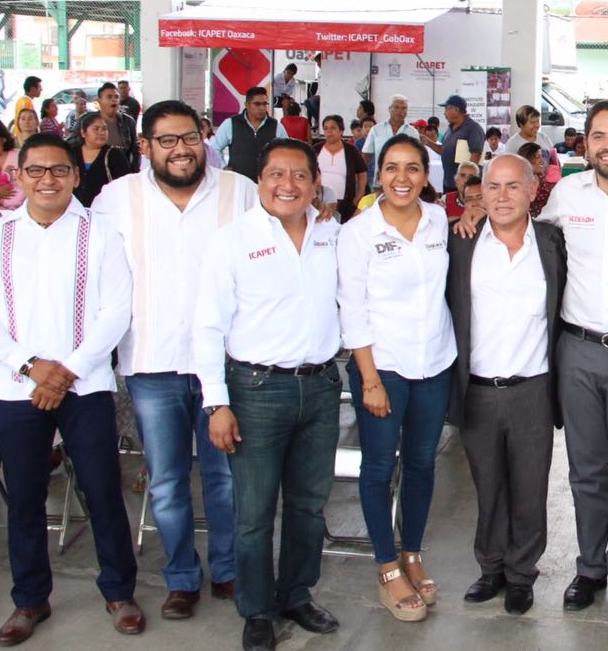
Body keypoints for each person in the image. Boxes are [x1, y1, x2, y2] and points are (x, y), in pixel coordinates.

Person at [478, 100, 608, 616]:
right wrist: (476, 214)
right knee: (585, 470)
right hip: (577, 353)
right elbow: (524, 231)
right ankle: (590, 568)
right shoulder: (568, 194)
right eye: (598, 136)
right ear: (585, 144)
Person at [0, 133, 142, 645]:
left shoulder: (101, 232)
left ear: (75, 176)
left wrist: (68, 371)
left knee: (102, 490)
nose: (48, 179)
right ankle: (30, 600)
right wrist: (30, 365)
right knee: (25, 499)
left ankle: (119, 592)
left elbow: (117, 310)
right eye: (36, 170)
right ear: (19, 177)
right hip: (16, 388)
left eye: (59, 169)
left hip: (86, 386)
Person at [93, 100, 254, 623]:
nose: (181, 150)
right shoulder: (116, 198)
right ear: (145, 146)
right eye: (167, 140)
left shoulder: (239, 190)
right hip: (152, 362)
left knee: (225, 478)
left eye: (189, 138)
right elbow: (83, 255)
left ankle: (227, 569)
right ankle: (181, 578)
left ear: (203, 138)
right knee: (165, 482)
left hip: (225, 364)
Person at [196, 140, 342, 651]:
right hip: (256, 391)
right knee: (255, 513)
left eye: (299, 175)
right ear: (258, 182)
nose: (287, 185)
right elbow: (207, 326)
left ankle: (296, 594)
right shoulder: (232, 241)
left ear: (315, 183)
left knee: (309, 506)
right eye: (276, 174)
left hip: (321, 387)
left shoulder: (332, 234)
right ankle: (257, 609)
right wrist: (217, 403)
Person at [337, 134, 453, 624]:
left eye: (412, 168)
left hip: (435, 363)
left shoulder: (439, 220)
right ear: (378, 174)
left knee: (423, 463)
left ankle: (412, 553)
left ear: (426, 176)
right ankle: (387, 566)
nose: (401, 178)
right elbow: (352, 308)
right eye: (391, 168)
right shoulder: (358, 232)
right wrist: (369, 380)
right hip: (382, 367)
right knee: (380, 467)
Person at [446, 154, 567, 617]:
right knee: (488, 485)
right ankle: (491, 567)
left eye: (513, 186)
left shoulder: (552, 243)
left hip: (533, 387)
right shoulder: (461, 241)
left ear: (533, 190)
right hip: (477, 387)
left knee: (530, 486)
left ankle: (521, 573)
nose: (501, 196)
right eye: (492, 187)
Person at [209, 87, 287, 182]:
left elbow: (287, 152)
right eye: (257, 104)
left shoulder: (276, 126)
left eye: (264, 104)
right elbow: (214, 148)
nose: (262, 108)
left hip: (268, 182)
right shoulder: (231, 124)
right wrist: (223, 167)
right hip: (238, 182)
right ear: (247, 105)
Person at [425, 95, 485, 193]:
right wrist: (427, 142)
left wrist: (466, 181)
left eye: (446, 109)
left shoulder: (473, 128)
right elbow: (444, 150)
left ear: (456, 110)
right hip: (448, 182)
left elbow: (476, 155)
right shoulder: (450, 128)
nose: (444, 113)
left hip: (463, 186)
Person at [314, 115, 367, 223]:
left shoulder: (351, 150)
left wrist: (360, 193)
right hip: (319, 202)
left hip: (344, 203)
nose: (329, 131)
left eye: (333, 128)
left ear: (341, 131)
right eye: (326, 128)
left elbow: (362, 172)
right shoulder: (316, 149)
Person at [72, 112, 132, 208]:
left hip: (106, 209)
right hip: (75, 209)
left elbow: (125, 183)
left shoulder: (114, 154)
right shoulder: (72, 153)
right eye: (96, 129)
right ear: (83, 132)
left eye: (104, 129)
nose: (102, 132)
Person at [361, 95, 421, 171]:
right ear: (390, 109)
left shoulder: (413, 132)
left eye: (403, 108)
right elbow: (366, 155)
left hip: (404, 177)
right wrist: (360, 175)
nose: (400, 111)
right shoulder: (376, 130)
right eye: (396, 107)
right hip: (381, 177)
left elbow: (417, 158)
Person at [96, 82, 141, 171]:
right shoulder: (88, 120)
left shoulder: (128, 121)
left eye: (116, 97)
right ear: (99, 101)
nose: (114, 100)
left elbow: (135, 150)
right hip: (97, 168)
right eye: (109, 97)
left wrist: (133, 170)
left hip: (122, 169)